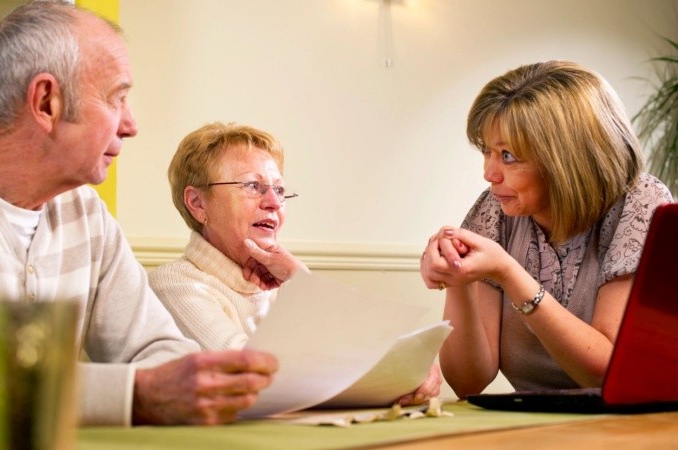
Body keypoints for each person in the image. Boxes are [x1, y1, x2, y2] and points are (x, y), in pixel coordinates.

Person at [0, 1, 277, 426]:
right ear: (47, 102)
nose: (130, 125)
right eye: (117, 99)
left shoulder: (85, 213)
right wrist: (134, 394)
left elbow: (157, 350)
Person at [420, 61, 673, 398]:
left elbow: (607, 373)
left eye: (507, 155)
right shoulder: (498, 208)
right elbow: (468, 382)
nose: (489, 173)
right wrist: (458, 281)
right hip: (532, 426)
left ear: (565, 160)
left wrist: (510, 273)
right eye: (487, 151)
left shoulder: (640, 204)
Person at [150, 122, 442, 406]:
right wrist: (391, 373)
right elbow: (254, 375)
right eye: (253, 186)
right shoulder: (174, 285)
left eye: (279, 190)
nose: (274, 203)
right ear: (198, 204)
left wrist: (405, 364)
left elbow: (345, 354)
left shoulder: (283, 282)